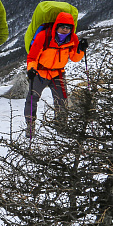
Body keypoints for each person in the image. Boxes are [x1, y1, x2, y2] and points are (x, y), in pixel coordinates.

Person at [24, 11, 88, 139]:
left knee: (62, 100)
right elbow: (32, 56)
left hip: (58, 73)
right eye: (63, 26)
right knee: (32, 98)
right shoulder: (44, 36)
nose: (65, 29)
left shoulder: (73, 39)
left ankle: (61, 125)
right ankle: (30, 125)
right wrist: (31, 69)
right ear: (56, 26)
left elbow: (75, 58)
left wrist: (80, 49)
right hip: (40, 72)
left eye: (68, 27)